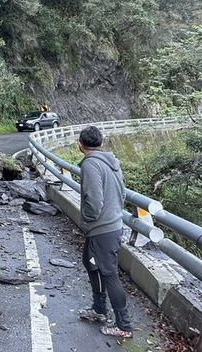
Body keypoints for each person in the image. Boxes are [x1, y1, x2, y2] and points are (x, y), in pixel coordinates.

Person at [76, 125, 134, 338]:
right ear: (101, 143)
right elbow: (123, 192)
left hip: (102, 229)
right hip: (111, 226)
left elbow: (94, 200)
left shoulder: (91, 164)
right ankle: (99, 310)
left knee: (109, 274)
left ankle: (124, 326)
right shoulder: (113, 161)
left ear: (80, 145)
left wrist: (89, 220)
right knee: (90, 263)